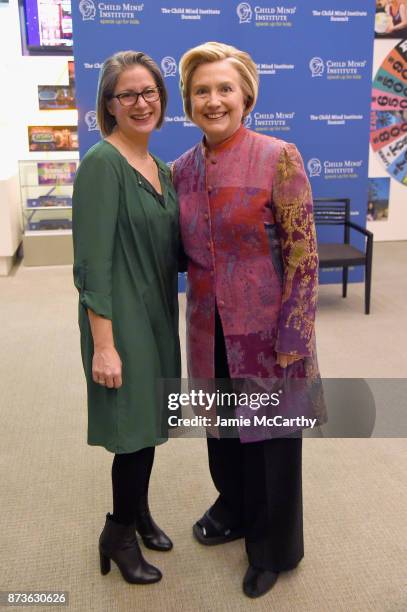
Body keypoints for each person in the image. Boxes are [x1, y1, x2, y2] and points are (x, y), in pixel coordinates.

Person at [172, 42, 325, 598]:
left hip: (266, 334)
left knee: (273, 443)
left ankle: (274, 548)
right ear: (188, 102)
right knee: (224, 435)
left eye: (224, 89)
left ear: (246, 96)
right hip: (207, 330)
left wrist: (295, 335)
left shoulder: (277, 156)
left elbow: (304, 254)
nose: (214, 100)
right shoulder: (181, 171)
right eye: (202, 91)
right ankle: (233, 509)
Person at [72, 51, 181, 585]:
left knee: (151, 422)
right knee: (133, 430)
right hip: (120, 320)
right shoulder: (102, 164)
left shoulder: (158, 166)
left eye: (150, 93)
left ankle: (138, 514)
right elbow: (91, 265)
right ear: (109, 105)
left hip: (157, 310)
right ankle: (117, 533)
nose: (141, 103)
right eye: (128, 95)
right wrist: (104, 345)